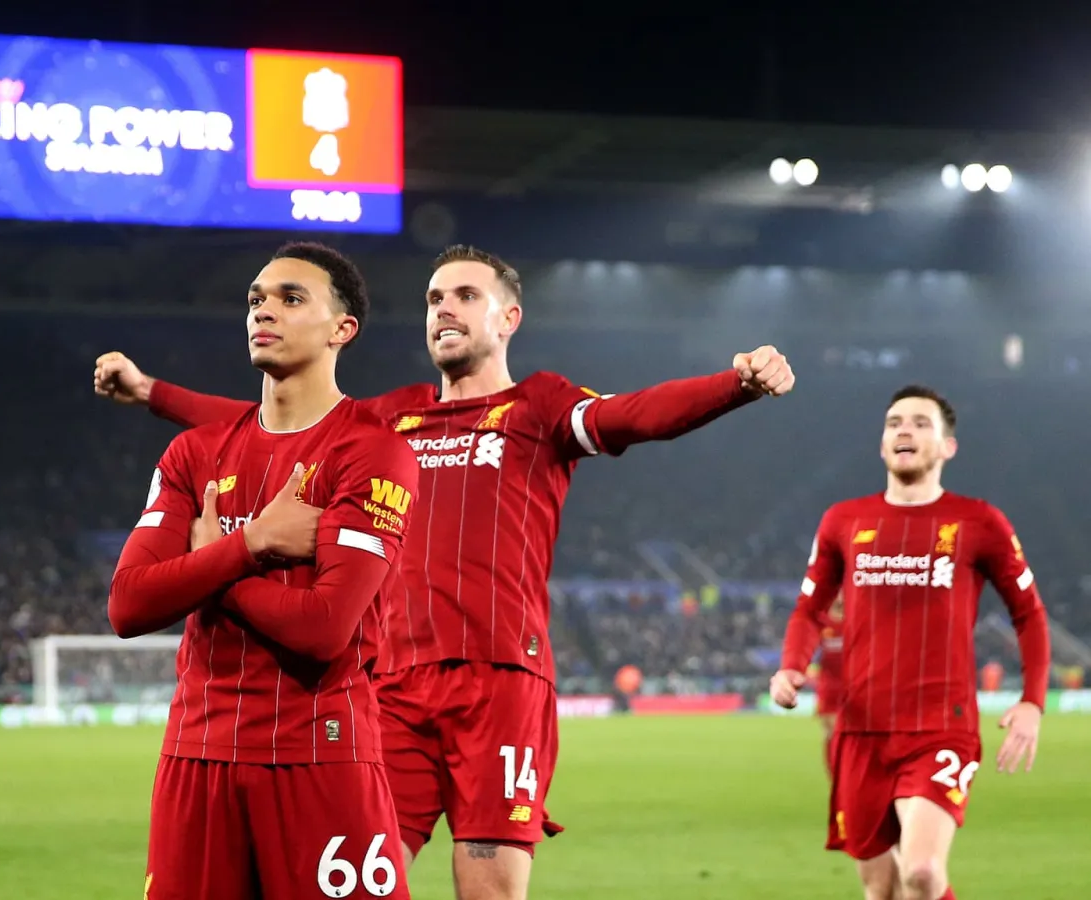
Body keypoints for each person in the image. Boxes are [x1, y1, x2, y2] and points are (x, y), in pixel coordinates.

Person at [98, 244, 794, 900]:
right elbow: (266, 421)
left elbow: (634, 416)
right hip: (387, 689)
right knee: (352, 878)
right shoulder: (390, 419)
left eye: (466, 295)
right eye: (434, 298)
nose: (445, 310)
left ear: (508, 317)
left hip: (498, 681)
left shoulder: (540, 407)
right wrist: (153, 392)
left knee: (487, 883)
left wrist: (734, 385)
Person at [107, 241, 419, 900]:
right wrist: (253, 544)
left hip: (319, 755)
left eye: (289, 297)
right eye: (255, 299)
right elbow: (129, 606)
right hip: (195, 758)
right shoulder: (193, 452)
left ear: (343, 329)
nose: (263, 311)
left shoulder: (373, 453)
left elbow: (325, 628)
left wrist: (210, 561)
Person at [769, 385, 1049, 900]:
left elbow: (1028, 613)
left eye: (922, 423)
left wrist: (1032, 701)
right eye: (895, 422)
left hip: (941, 727)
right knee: (882, 887)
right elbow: (810, 607)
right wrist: (791, 665)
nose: (904, 430)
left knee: (920, 872)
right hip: (861, 731)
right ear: (881, 444)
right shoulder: (842, 521)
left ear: (947, 447)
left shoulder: (979, 522)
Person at [812, 598, 845, 775]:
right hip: (828, 687)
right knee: (831, 732)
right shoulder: (822, 622)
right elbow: (811, 650)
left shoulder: (855, 618)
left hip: (852, 686)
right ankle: (836, 773)